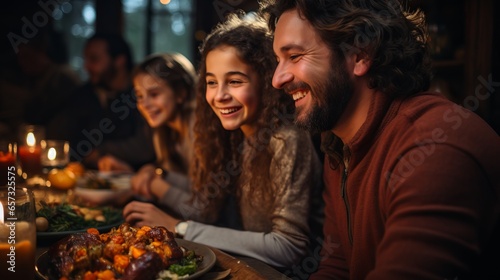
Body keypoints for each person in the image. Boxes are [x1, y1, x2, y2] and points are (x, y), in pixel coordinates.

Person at [261, 0, 500, 279]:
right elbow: (338, 267)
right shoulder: (338, 148)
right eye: (279, 60)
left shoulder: (435, 146)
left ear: (360, 55)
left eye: (295, 56)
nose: (277, 79)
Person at [123, 13, 323, 268]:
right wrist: (161, 177)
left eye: (235, 81)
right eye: (211, 82)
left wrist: (180, 227)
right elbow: (207, 203)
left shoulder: (286, 140)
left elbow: (289, 247)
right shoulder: (234, 135)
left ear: (265, 81)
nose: (219, 96)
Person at [97, 53, 196, 209]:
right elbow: (184, 187)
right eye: (140, 96)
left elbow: (203, 209)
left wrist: (154, 182)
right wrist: (133, 177)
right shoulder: (164, 132)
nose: (144, 104)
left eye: (154, 94)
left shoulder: (199, 133)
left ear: (181, 93)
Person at [52, 33, 154, 170]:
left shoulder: (142, 95)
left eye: (94, 59)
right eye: (86, 59)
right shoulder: (82, 95)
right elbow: (64, 136)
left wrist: (102, 151)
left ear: (119, 61)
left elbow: (145, 146)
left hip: (136, 179)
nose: (86, 67)